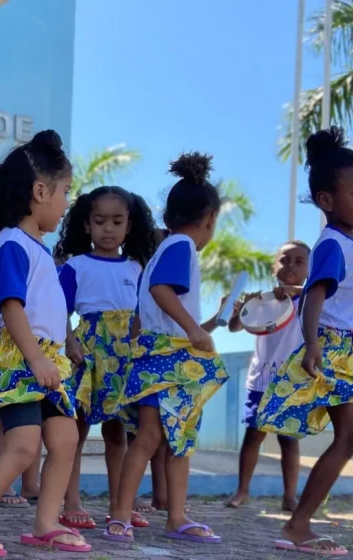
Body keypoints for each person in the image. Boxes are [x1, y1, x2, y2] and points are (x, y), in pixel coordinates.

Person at [0, 129, 90, 556]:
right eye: (64, 192)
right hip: (21, 359)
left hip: (47, 360)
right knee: (23, 446)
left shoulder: (40, 249)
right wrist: (36, 360)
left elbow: (50, 309)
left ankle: (46, 522)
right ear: (40, 191)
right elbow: (11, 306)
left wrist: (66, 344)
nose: (66, 203)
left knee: (64, 442)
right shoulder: (11, 245)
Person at [256, 127, 353, 555]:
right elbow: (314, 295)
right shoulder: (333, 244)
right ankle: (307, 525)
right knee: (349, 438)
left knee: (350, 438)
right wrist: (313, 344)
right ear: (327, 201)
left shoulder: (352, 244)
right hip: (338, 352)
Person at [106, 152, 228, 544]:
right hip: (168, 359)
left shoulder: (164, 248)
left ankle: (175, 516)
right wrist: (195, 329)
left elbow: (147, 305)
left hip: (160, 357)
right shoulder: (182, 247)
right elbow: (161, 291)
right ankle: (124, 515)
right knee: (151, 438)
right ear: (208, 220)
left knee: (178, 439)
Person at [54, 186, 157, 531]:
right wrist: (70, 344)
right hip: (87, 355)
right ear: (86, 225)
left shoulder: (136, 268)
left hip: (125, 359)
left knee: (119, 434)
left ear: (129, 226)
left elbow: (144, 314)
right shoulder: (75, 266)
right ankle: (71, 501)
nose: (108, 229)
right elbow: (59, 311)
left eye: (117, 221)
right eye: (100, 221)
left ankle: (119, 505)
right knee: (77, 431)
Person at [226, 241, 308, 511]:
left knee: (289, 440)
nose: (291, 266)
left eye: (299, 261)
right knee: (253, 436)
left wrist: (296, 291)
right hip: (262, 379)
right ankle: (243, 491)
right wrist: (239, 309)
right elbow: (235, 327)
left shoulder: (310, 299)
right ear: (275, 267)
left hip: (292, 382)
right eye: (285, 260)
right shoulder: (263, 301)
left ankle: (289, 497)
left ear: (309, 269)